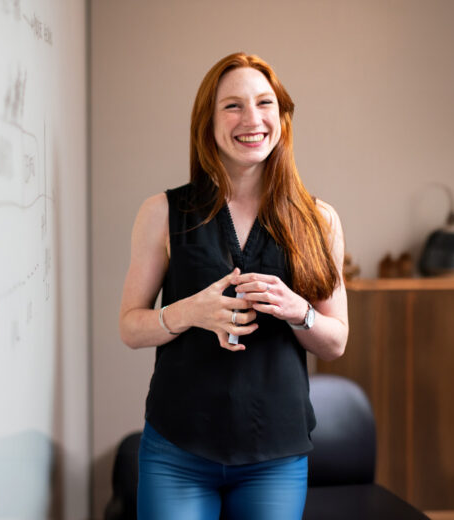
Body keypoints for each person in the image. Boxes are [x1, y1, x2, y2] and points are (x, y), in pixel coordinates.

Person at [119, 52, 349, 520]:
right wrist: (188, 312)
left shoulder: (319, 220)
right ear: (208, 121)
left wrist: (297, 309)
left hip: (276, 457)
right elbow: (130, 328)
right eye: (233, 106)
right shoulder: (161, 212)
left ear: (281, 116)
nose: (252, 119)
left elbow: (336, 341)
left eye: (264, 103)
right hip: (177, 449)